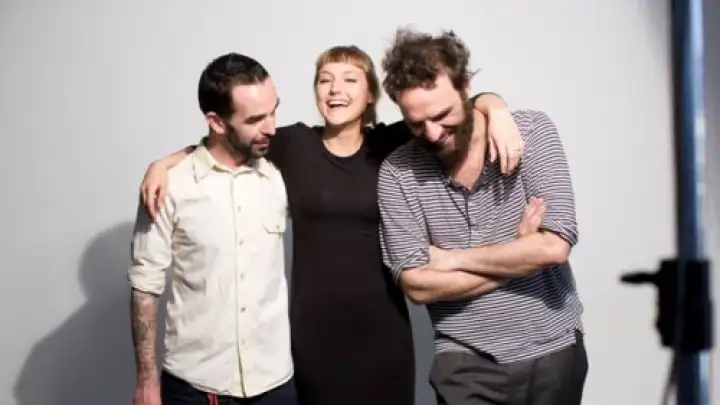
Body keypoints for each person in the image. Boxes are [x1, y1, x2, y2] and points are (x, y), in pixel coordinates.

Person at [138, 45, 524, 405]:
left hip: (383, 332)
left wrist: (497, 108)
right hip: (312, 337)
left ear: (371, 95)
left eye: (350, 79)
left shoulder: (390, 143)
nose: (335, 89)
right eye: (325, 79)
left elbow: (457, 105)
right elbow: (227, 139)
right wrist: (166, 162)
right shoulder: (291, 144)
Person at [377, 28, 588, 405]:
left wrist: (451, 260)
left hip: (552, 347)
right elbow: (417, 285)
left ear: (466, 87)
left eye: (442, 115)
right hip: (464, 359)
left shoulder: (530, 133)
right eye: (416, 124)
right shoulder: (398, 173)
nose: (432, 133)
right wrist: (520, 254)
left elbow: (554, 247)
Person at [128, 53, 297, 405]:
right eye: (255, 119)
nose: (271, 128)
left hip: (275, 384)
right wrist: (146, 381)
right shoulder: (169, 185)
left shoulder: (281, 171)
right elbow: (146, 284)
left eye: (273, 111)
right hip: (196, 386)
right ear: (216, 122)